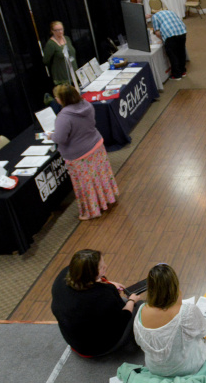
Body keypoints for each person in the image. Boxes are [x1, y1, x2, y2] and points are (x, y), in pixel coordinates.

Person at [51, 249, 141, 357]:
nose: (105, 267)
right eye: (101, 267)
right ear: (90, 274)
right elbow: (123, 318)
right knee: (139, 306)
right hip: (96, 348)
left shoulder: (63, 275)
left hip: (73, 340)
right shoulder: (102, 296)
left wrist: (106, 282)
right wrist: (132, 300)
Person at [51, 84, 118, 220]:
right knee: (100, 175)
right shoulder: (86, 104)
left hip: (79, 155)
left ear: (63, 99)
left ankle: (91, 211)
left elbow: (60, 138)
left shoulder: (63, 117)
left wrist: (50, 135)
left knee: (85, 184)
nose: (56, 99)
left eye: (57, 97)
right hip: (96, 145)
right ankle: (108, 197)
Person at [133, 263, 206, 377]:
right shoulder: (187, 311)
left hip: (154, 369)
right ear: (174, 286)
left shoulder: (141, 310)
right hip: (186, 368)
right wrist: (179, 302)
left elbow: (140, 342)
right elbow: (202, 331)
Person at [151, 5, 187, 81]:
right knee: (181, 52)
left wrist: (163, 39)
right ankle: (183, 71)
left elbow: (157, 32)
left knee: (172, 54)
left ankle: (176, 75)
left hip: (170, 35)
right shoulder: (171, 12)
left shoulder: (155, 16)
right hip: (182, 31)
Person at [42, 21, 77, 87]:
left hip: (74, 73)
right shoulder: (51, 44)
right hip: (62, 77)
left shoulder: (67, 38)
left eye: (61, 29)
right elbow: (46, 60)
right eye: (57, 30)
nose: (60, 32)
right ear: (52, 31)